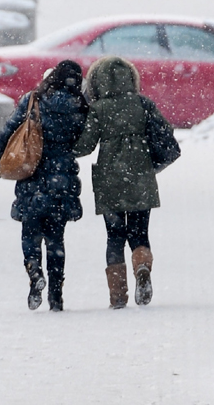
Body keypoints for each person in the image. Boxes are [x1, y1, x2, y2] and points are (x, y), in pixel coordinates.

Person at [0, 60, 88, 312]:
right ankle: (56, 295)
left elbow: (10, 130)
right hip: (62, 180)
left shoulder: (34, 100)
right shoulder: (80, 106)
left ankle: (34, 272)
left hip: (32, 175)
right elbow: (84, 141)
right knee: (56, 239)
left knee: (30, 232)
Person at [74, 56, 174, 309]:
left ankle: (118, 295)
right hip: (140, 175)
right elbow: (165, 133)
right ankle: (141, 264)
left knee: (114, 236)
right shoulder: (143, 104)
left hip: (110, 178)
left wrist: (62, 147)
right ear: (131, 79)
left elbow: (85, 146)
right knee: (140, 231)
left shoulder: (98, 109)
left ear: (98, 82)